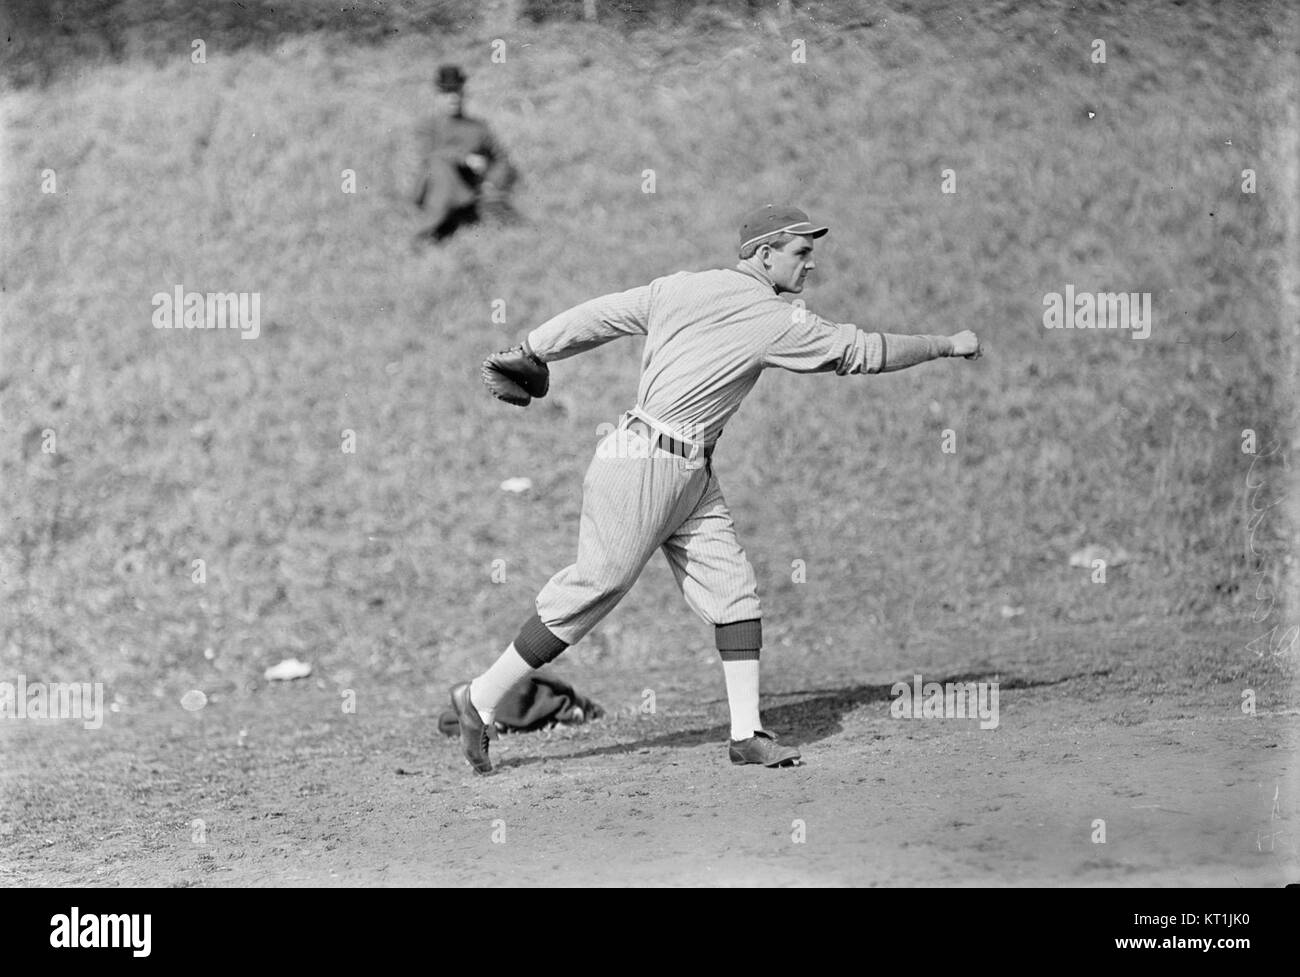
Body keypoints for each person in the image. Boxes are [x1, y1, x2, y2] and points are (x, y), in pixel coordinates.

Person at [457, 204, 981, 774]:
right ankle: (480, 699)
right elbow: (864, 352)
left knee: (732, 589)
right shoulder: (775, 320)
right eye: (800, 253)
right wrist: (945, 344)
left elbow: (603, 315)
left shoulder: (681, 288)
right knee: (594, 587)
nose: (810, 266)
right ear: (764, 255)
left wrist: (537, 346)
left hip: (688, 470)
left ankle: (746, 733)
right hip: (645, 462)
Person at [413, 64, 517, 244]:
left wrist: (491, 182)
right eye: (447, 92)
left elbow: (501, 160)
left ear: (463, 92)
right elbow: (428, 155)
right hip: (434, 190)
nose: (453, 98)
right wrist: (464, 158)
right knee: (439, 165)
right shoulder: (428, 126)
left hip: (471, 187)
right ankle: (435, 226)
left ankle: (454, 219)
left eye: (457, 91)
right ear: (437, 95)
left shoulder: (478, 127)